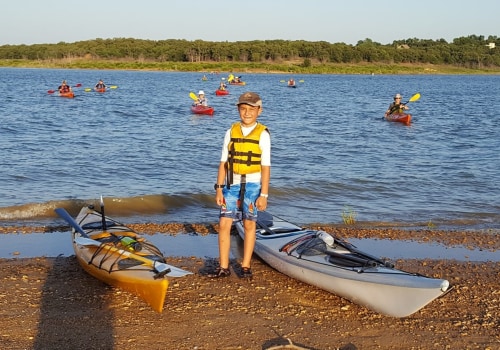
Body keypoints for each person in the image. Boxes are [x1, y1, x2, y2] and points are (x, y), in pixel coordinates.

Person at [208, 92, 271, 279]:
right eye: (243, 109)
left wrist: (264, 195)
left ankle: (245, 266)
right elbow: (223, 163)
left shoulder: (263, 135)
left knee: (249, 224)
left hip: (252, 185)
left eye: (252, 109)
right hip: (231, 185)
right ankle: (224, 267)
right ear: (238, 110)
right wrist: (219, 188)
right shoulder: (230, 132)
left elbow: (265, 167)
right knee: (224, 223)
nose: (247, 113)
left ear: (259, 111)